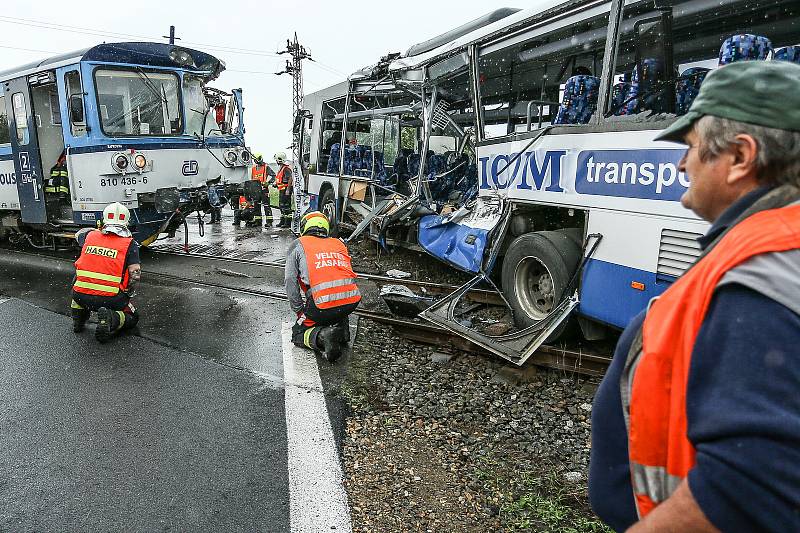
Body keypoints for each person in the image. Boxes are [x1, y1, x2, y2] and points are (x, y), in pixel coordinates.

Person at [589, 60, 800, 532]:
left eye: (692, 149)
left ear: (741, 158)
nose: (682, 164)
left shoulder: (763, 275)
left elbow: (752, 484)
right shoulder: (770, 250)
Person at [285, 211, 361, 361]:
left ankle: (323, 336)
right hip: (351, 303)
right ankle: (342, 331)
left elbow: (290, 281)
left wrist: (299, 311)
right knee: (336, 304)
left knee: (298, 333)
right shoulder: (339, 243)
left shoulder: (298, 244)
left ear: (304, 227)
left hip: (321, 306)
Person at [71, 202, 142, 343]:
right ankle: (111, 318)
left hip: (80, 296)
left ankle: (78, 319)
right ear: (126, 222)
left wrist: (97, 230)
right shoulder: (130, 244)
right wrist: (130, 292)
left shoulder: (89, 236)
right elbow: (135, 273)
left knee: (78, 280)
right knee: (133, 317)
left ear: (103, 220)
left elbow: (78, 234)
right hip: (112, 299)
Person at [251, 153, 273, 227]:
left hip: (264, 190)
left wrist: (268, 183)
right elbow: (252, 179)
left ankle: (269, 222)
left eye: (256, 160)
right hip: (256, 190)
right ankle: (258, 221)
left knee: (266, 206)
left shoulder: (266, 167)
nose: (255, 161)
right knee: (256, 206)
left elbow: (273, 176)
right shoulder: (253, 168)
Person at [274, 152, 294, 228]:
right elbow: (281, 179)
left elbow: (290, 179)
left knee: (286, 206)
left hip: (286, 189)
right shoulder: (281, 168)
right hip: (282, 189)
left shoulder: (286, 169)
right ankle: (282, 221)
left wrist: (288, 190)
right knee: (281, 206)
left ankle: (287, 222)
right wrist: (276, 184)